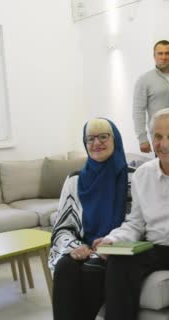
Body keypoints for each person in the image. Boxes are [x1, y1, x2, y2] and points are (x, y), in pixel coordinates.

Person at [94, 107, 169, 320]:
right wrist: (113, 239)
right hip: (154, 245)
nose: (164, 144)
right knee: (118, 262)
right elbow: (136, 222)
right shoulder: (143, 174)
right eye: (157, 137)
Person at [49, 118, 128, 320]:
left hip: (115, 248)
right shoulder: (74, 180)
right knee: (64, 267)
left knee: (92, 270)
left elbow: (138, 222)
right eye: (90, 139)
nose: (96, 143)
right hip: (81, 247)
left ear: (115, 139)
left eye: (103, 136)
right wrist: (74, 247)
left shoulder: (131, 178)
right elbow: (62, 227)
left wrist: (110, 242)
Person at [133, 40, 169, 153]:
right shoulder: (144, 80)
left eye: (167, 53)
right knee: (164, 169)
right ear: (154, 56)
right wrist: (142, 139)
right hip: (160, 136)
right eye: (160, 53)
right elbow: (138, 110)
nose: (164, 57)